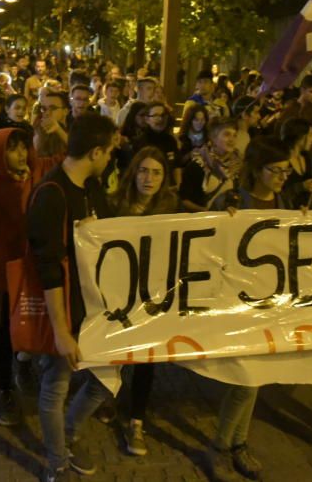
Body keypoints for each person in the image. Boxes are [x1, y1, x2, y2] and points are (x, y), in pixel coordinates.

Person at [27, 113, 116, 481]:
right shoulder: (51, 194)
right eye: (109, 152)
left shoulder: (92, 188)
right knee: (56, 386)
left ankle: (68, 434)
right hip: (66, 308)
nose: (111, 158)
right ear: (96, 152)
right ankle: (57, 460)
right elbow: (48, 269)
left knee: (107, 377)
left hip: (96, 307)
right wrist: (61, 331)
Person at [205, 136, 294, 481]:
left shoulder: (284, 202)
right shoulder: (234, 201)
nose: (283, 176)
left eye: (287, 170)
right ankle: (222, 447)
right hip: (236, 305)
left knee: (254, 379)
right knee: (246, 380)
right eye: (276, 170)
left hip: (270, 305)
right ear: (257, 170)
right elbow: (204, 237)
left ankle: (237, 443)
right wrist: (221, 217)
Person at [0, 127, 62, 427]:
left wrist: (57, 128)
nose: (20, 154)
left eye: (23, 147)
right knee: (5, 335)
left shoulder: (40, 172)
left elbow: (69, 156)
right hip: (8, 276)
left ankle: (25, 366)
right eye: (12, 149)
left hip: (40, 270)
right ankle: (5, 389)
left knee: (38, 323)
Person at [105, 146, 181, 456]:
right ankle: (107, 398)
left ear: (164, 179)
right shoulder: (113, 205)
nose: (149, 178)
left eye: (157, 172)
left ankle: (136, 419)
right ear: (133, 172)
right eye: (144, 170)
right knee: (116, 353)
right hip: (119, 293)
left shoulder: (170, 208)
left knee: (147, 360)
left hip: (152, 297)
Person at [179, 117, 242, 213]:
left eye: (235, 135)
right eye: (227, 134)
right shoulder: (197, 166)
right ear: (213, 137)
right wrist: (208, 212)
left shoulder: (235, 167)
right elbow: (184, 201)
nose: (232, 139)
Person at [280, 118, 312, 209]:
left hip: (307, 212)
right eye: (310, 135)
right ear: (300, 136)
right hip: (287, 214)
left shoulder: (308, 158)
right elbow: (278, 194)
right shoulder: (281, 161)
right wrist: (301, 187)